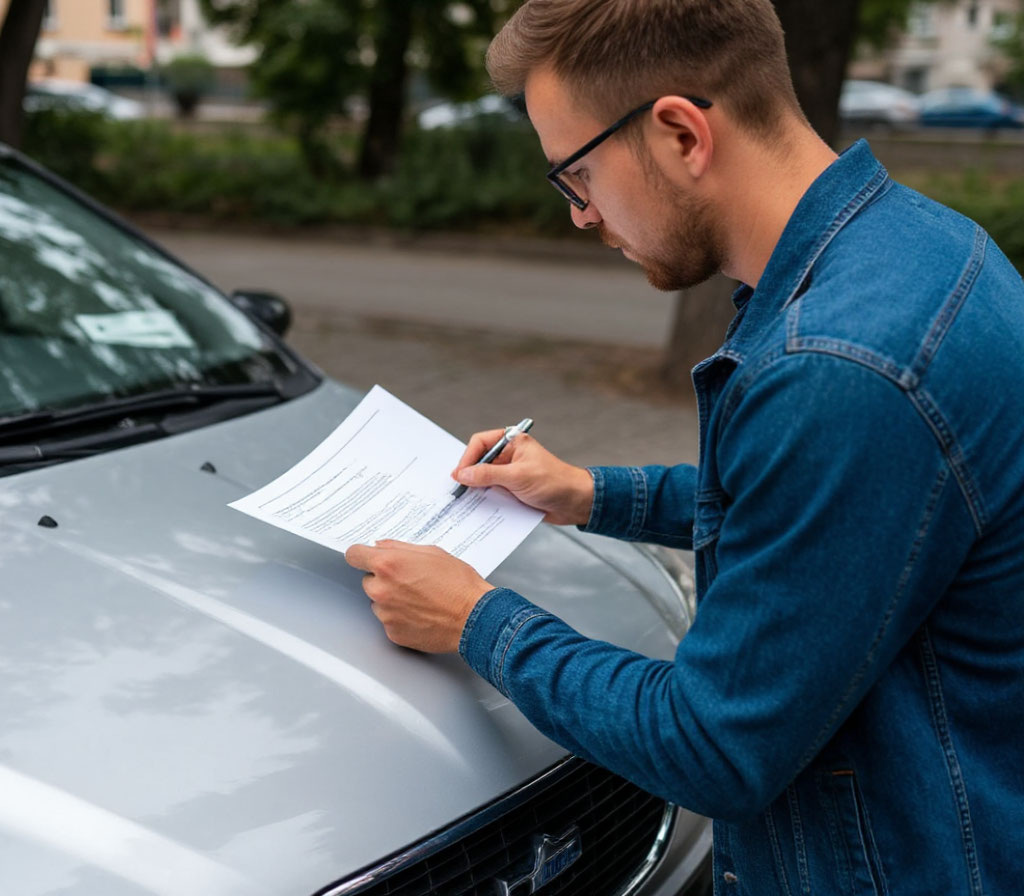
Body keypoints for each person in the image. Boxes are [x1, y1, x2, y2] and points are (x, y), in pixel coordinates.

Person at [344, 0, 1024, 892]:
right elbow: (823, 519)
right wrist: (591, 493)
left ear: (678, 133)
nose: (581, 216)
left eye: (576, 174)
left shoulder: (839, 369)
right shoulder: (926, 247)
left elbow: (714, 745)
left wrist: (475, 618)